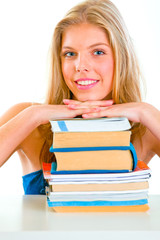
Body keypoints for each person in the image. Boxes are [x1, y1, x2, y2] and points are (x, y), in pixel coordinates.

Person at [0, 0, 160, 194]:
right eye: (70, 54)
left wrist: (148, 113)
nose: (80, 66)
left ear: (121, 58)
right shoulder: (28, 119)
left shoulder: (146, 128)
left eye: (98, 52)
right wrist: (33, 115)